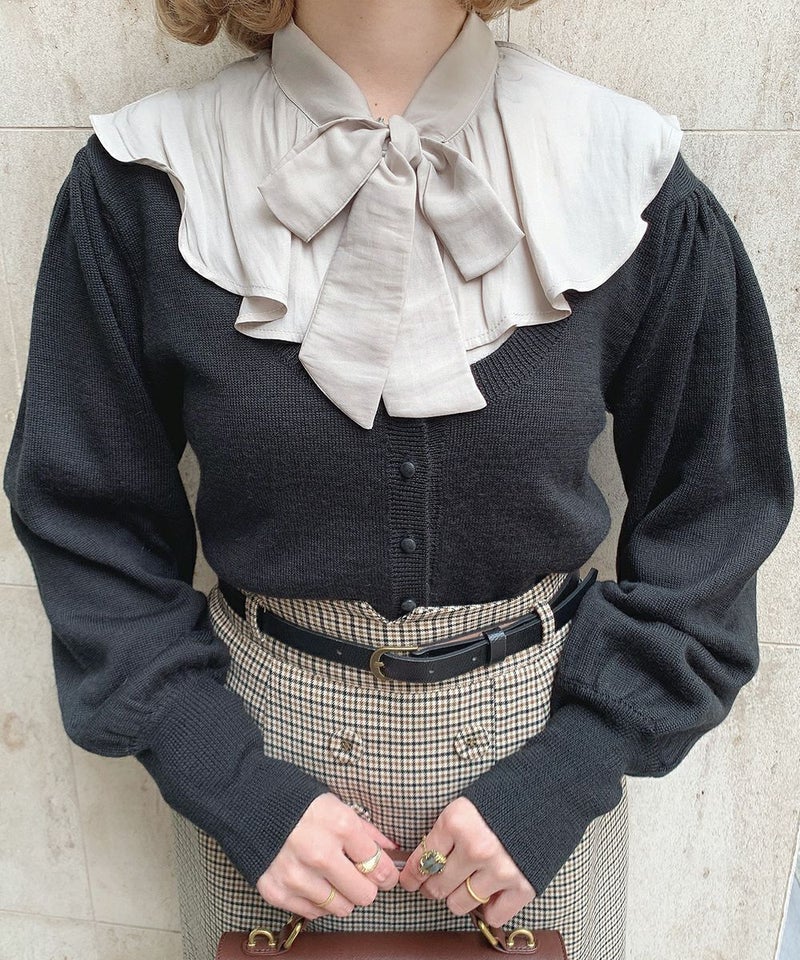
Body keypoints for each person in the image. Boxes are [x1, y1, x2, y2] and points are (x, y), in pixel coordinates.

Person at [3, 1, 793, 958]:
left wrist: (568, 774)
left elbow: (719, 508)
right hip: (258, 778)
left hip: (544, 775)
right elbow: (87, 517)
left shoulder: (622, 170)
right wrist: (228, 780)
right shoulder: (146, 177)